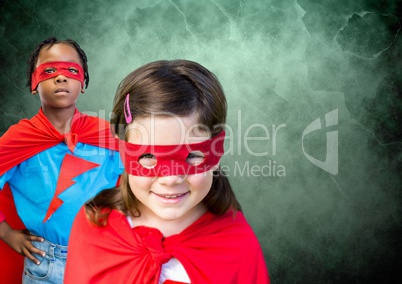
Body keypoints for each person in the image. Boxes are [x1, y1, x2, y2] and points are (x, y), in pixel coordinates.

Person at [64, 59, 270, 283]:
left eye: (192, 156)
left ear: (217, 151)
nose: (171, 179)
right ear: (121, 151)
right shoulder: (93, 226)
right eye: (148, 157)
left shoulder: (237, 247)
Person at [0, 37, 123, 283]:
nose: (60, 77)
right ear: (34, 83)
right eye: (49, 70)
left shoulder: (107, 135)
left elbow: (142, 176)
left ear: (83, 82)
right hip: (43, 264)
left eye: (71, 70)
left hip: (100, 259)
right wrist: (6, 233)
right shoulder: (17, 139)